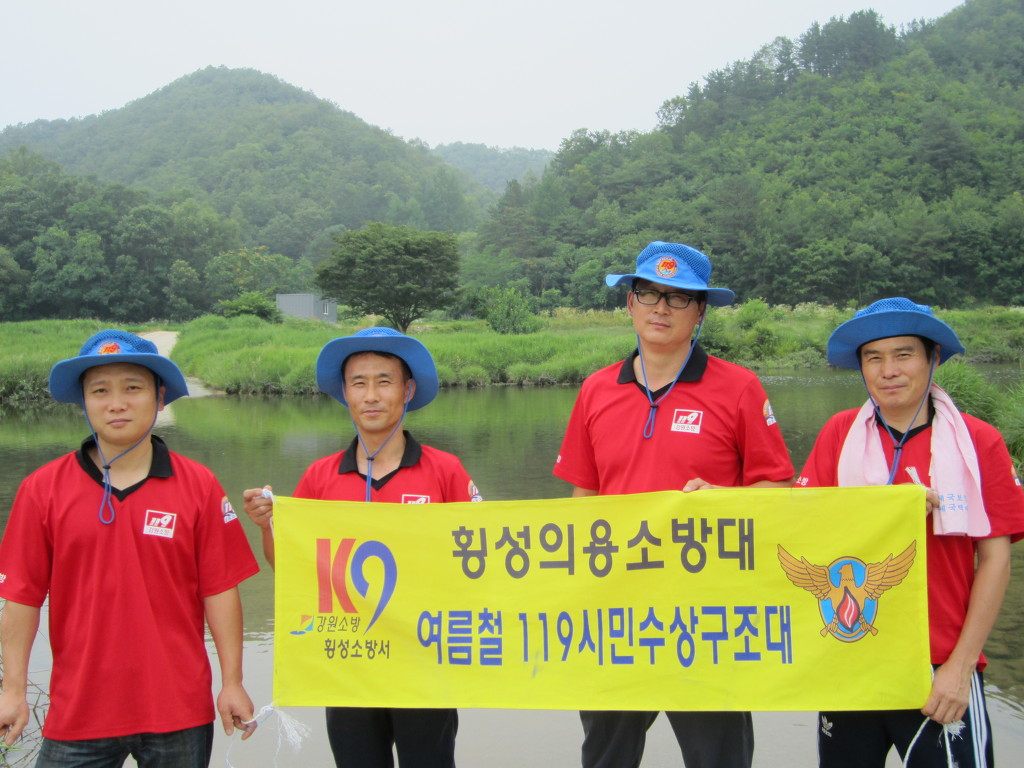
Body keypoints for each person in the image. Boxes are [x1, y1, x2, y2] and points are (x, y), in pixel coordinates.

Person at [553, 241, 795, 768]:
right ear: (629, 303)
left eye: (678, 297)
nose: (661, 308)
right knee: (606, 755)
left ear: (700, 311)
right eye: (648, 293)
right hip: (617, 613)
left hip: (708, 614)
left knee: (719, 757)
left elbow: (779, 490)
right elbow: (583, 498)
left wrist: (723, 500)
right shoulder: (596, 390)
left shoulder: (738, 388)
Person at [0, 329, 259, 767]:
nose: (116, 403)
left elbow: (219, 590)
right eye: (100, 391)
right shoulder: (42, 489)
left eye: (132, 388)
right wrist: (13, 690)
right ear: (84, 402)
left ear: (160, 398)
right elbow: (22, 597)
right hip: (78, 711)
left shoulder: (198, 485)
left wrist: (231, 682)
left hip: (178, 709)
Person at [796, 297, 1024, 767]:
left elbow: (995, 560)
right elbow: (801, 529)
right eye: (873, 358)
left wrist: (961, 667)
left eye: (903, 355)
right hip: (851, 656)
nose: (889, 371)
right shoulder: (840, 433)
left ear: (932, 358)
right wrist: (717, 501)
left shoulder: (978, 441)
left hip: (939, 665)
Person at [243, 326, 482, 768]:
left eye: (384, 381)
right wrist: (268, 526)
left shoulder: (445, 471)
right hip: (348, 666)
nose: (371, 395)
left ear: (408, 391)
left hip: (423, 664)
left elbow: (479, 566)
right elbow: (294, 572)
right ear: (345, 394)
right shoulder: (320, 478)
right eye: (359, 383)